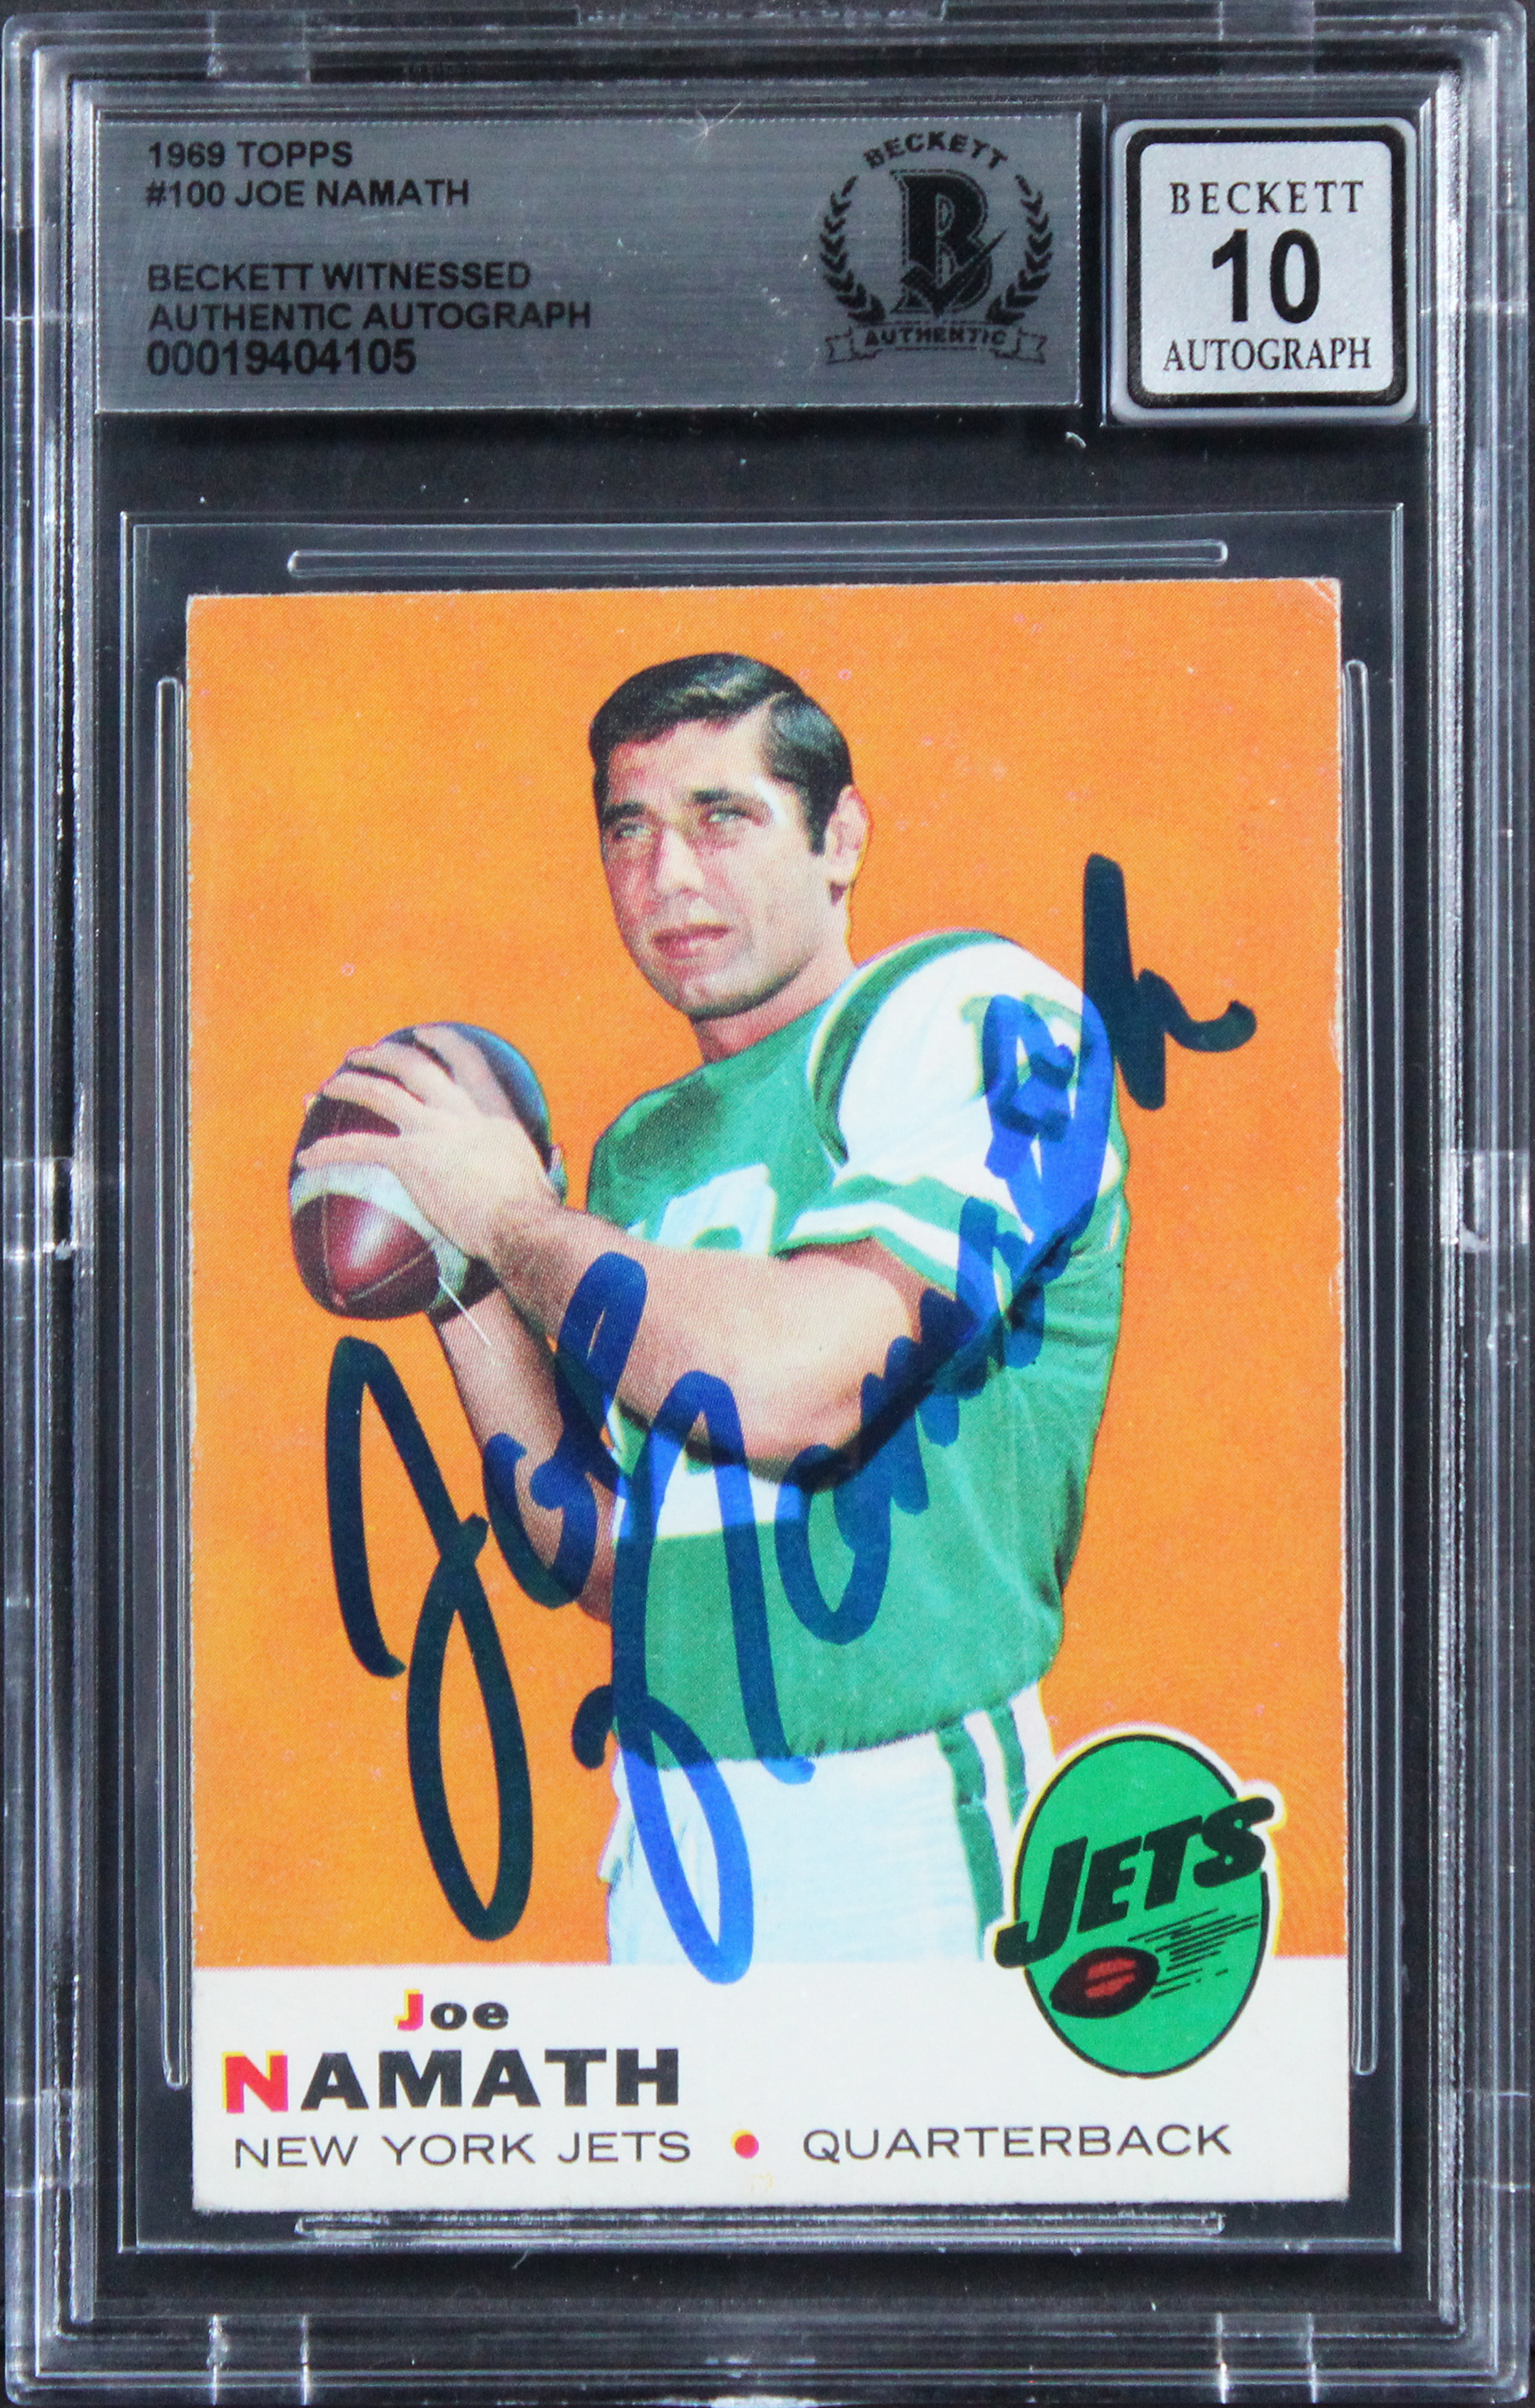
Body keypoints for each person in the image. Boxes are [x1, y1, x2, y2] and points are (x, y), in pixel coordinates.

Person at [297, 653, 1128, 1972]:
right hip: (673, 1828)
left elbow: (799, 1389)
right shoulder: (644, 1153)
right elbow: (614, 1569)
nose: (668, 877)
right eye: (628, 832)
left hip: (902, 1809)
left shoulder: (977, 1010)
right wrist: (459, 1275)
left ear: (839, 838)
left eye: (722, 818)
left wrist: (514, 1220)